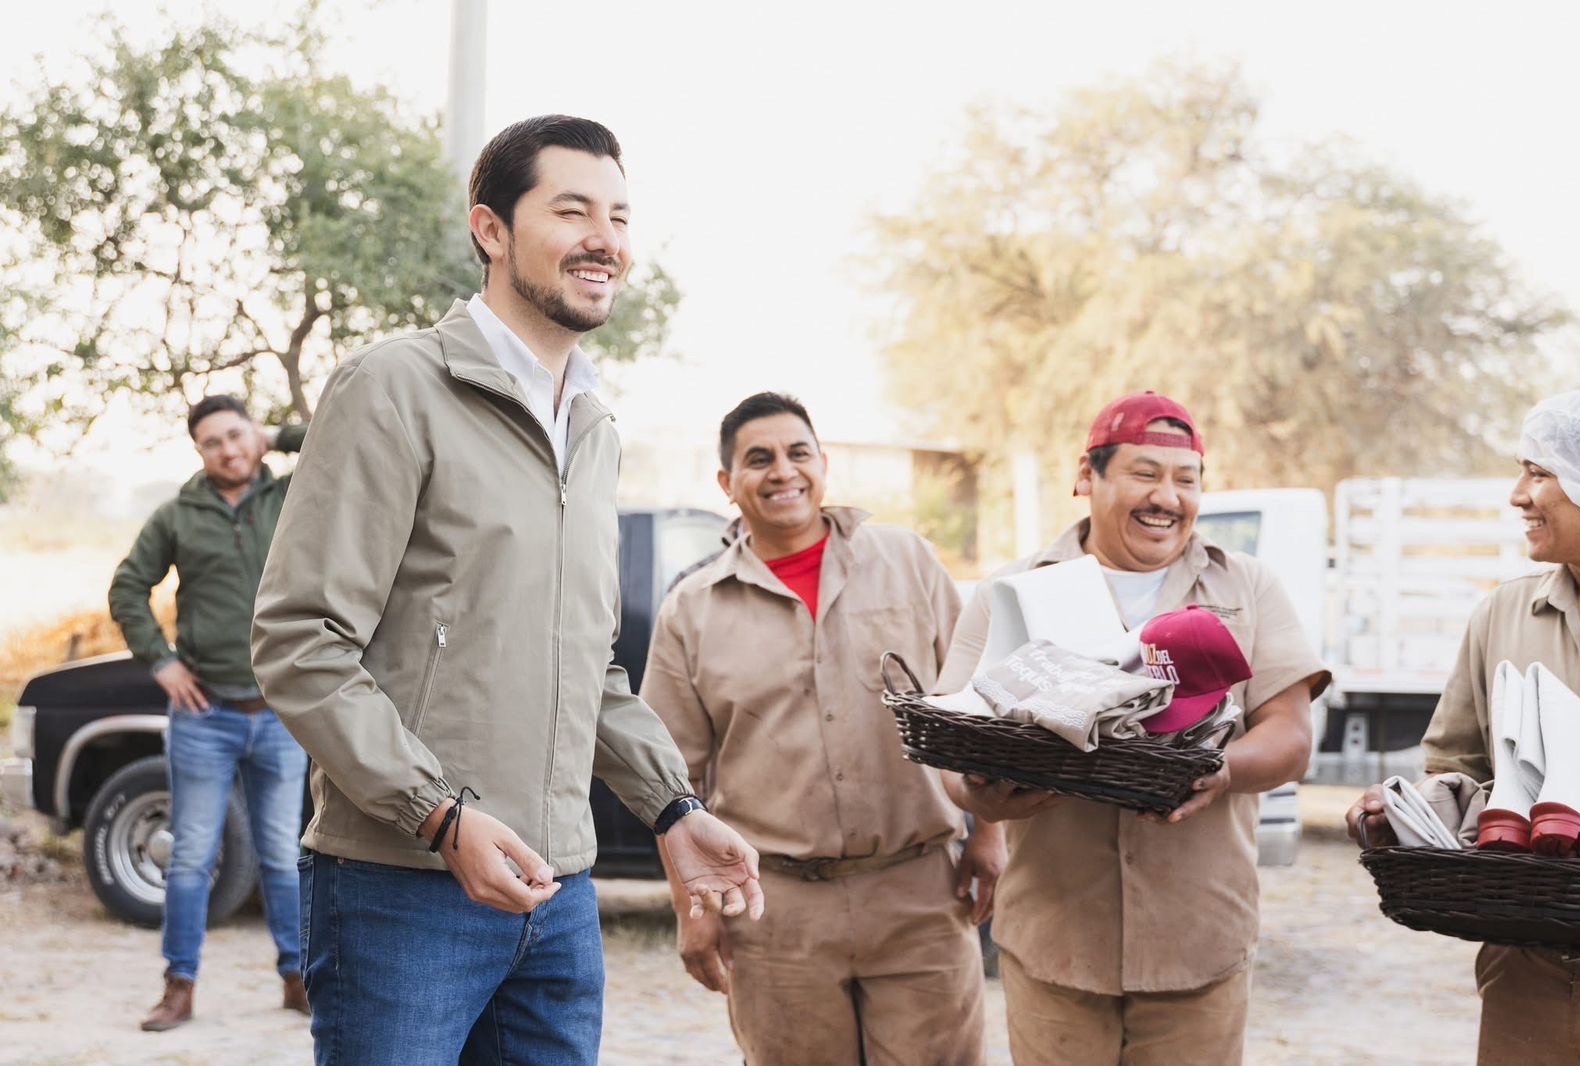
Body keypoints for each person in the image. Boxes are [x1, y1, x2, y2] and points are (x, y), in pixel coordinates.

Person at [250, 115, 763, 1066]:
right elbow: (301, 642)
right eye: (571, 211)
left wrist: (673, 812)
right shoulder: (393, 388)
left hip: (559, 896)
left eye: (617, 214)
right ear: (491, 230)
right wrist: (438, 815)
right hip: (400, 890)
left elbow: (590, 669)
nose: (603, 239)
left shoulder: (594, 425)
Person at [936, 391, 1329, 1066]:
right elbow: (951, 744)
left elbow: (1291, 734)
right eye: (1145, 474)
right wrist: (984, 797)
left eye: (1186, 480)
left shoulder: (1250, 589)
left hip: (1199, 943)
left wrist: (1224, 769)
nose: (1167, 498)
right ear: (1087, 477)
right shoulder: (1013, 591)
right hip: (1056, 942)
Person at [640, 392, 998, 1064]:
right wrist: (696, 907)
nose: (783, 472)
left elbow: (980, 708)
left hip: (920, 892)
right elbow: (670, 779)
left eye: (797, 453)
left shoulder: (909, 563)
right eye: (760, 459)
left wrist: (992, 836)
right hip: (774, 913)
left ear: (823, 464)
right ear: (727, 483)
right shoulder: (692, 609)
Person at [1345, 390, 1580, 1066]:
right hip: (1530, 977)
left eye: (1539, 472)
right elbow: (1455, 769)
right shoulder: (1502, 615)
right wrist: (1404, 812)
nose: (1518, 495)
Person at [107, 395, 310, 1031]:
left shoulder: (291, 498)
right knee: (191, 855)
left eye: (236, 436)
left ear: (253, 435)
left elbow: (338, 432)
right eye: (212, 443)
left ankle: (298, 979)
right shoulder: (178, 515)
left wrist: (277, 433)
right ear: (198, 453)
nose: (227, 450)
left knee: (282, 853)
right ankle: (179, 986)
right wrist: (161, 661)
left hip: (280, 713)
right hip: (205, 717)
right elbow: (127, 588)